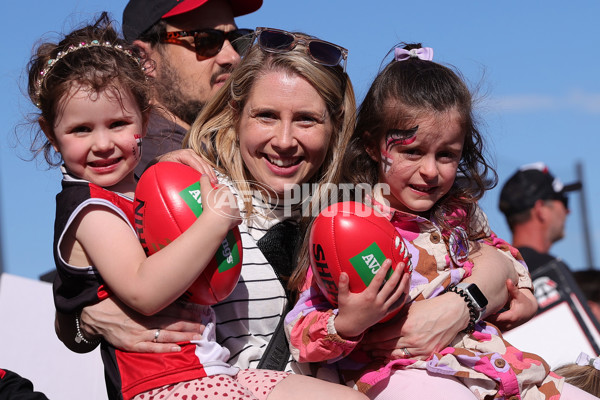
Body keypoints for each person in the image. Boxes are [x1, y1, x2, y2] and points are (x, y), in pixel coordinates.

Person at [26, 16, 366, 400]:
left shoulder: (359, 209)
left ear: (335, 126)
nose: (284, 140)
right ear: (236, 113)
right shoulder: (184, 189)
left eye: (307, 119)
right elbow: (94, 286)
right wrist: (84, 320)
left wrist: (450, 306)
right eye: (266, 115)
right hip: (187, 382)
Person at [285, 43, 596, 399]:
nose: (430, 171)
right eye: (412, 151)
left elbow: (503, 254)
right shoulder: (345, 226)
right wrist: (347, 323)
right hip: (399, 373)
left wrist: (521, 291)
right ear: (372, 146)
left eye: (447, 155)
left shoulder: (458, 212)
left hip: (489, 366)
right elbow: (301, 331)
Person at [122, 0, 262, 175]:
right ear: (144, 59)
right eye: (206, 40)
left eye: (236, 40)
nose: (232, 57)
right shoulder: (131, 161)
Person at [499, 162, 581, 273]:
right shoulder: (552, 269)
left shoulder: (498, 268)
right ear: (541, 210)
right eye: (564, 200)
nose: (568, 211)